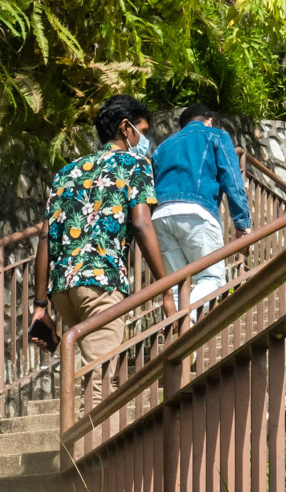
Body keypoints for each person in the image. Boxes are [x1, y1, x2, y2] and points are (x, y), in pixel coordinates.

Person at [29, 95, 177, 378]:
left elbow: (46, 236)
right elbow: (142, 224)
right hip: (101, 282)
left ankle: (83, 423)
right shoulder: (134, 164)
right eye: (143, 132)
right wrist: (166, 288)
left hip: (63, 289)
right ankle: (90, 425)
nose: (144, 140)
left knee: (90, 376)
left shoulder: (67, 171)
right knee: (102, 381)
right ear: (125, 128)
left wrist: (40, 306)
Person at [150, 103, 252, 309]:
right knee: (212, 279)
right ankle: (190, 323)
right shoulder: (216, 136)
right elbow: (232, 180)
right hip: (196, 212)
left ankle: (181, 334)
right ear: (209, 121)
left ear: (183, 124)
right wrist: (242, 223)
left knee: (176, 284)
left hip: (160, 215)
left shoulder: (162, 148)